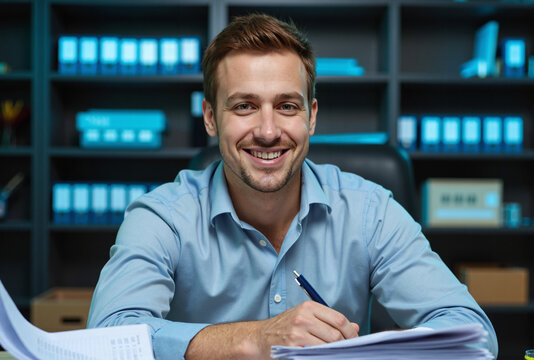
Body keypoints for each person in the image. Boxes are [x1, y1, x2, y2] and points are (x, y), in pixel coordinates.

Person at [87, 13, 498, 359]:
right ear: (210, 118)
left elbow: (472, 335)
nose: (268, 132)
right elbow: (107, 338)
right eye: (244, 106)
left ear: (311, 116)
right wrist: (253, 339)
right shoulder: (163, 217)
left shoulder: (370, 211)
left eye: (286, 106)